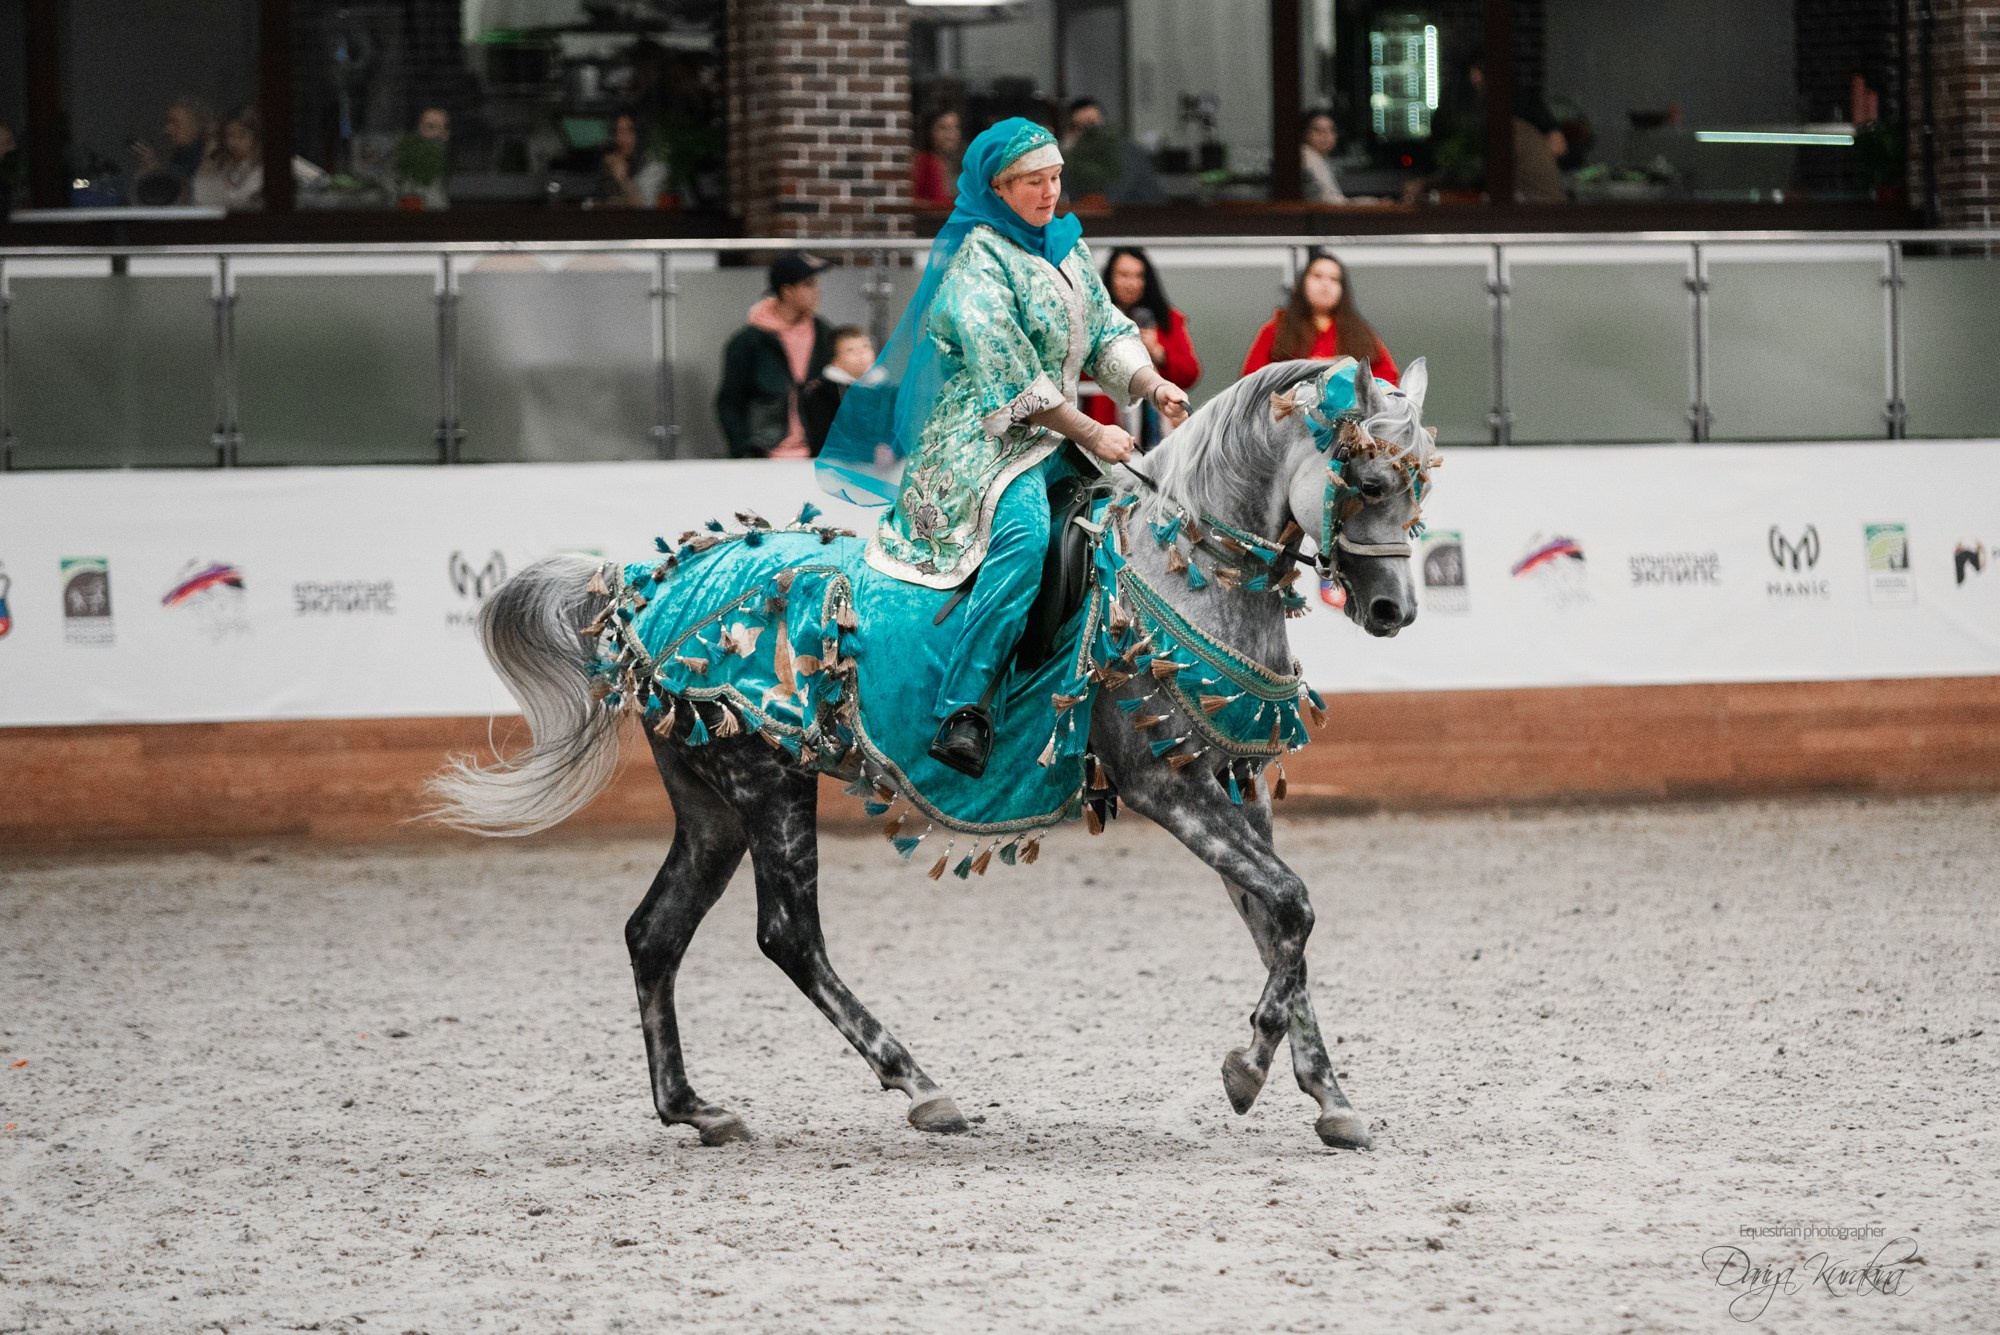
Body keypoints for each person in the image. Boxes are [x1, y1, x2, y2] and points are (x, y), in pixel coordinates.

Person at [818, 118, 1191, 778]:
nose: (1050, 192)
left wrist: (1150, 381)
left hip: (1057, 434)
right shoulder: (975, 263)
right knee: (1022, 538)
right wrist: (1094, 429)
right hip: (980, 441)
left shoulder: (1066, 249)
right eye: (1033, 182)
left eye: (1055, 178)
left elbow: (1107, 330)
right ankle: (965, 708)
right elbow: (1014, 378)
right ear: (998, 187)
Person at [716, 251, 839, 459]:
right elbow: (730, 402)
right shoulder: (749, 341)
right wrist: (743, 449)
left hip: (817, 455)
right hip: (765, 455)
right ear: (788, 291)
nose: (816, 291)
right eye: (808, 284)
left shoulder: (824, 334)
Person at [1084, 247, 1200, 447]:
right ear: (1110, 278)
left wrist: (1158, 352)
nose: (1131, 283)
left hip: (1161, 435)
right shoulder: (1095, 319)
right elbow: (1077, 373)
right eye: (1124, 275)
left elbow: (1190, 373)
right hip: (1105, 430)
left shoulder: (1167, 319)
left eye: (1138, 276)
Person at [1240, 249, 1398, 386]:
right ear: (1302, 283)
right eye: (1317, 276)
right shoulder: (1275, 330)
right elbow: (1252, 380)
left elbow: (1388, 381)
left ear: (1343, 289)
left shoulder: (1361, 333)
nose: (1325, 284)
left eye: (1334, 279)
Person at [801, 326, 882, 456]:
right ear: (836, 361)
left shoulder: (887, 391)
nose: (861, 354)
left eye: (865, 347)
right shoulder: (821, 393)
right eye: (850, 350)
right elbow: (823, 436)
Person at [192, 105, 264, 211]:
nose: (233, 143)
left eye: (241, 135)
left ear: (256, 137)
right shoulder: (226, 169)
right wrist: (207, 166)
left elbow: (239, 203)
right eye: (229, 136)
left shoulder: (261, 171)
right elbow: (201, 201)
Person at [598, 111, 667, 208]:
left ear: (639, 134)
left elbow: (642, 207)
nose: (621, 138)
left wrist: (622, 179)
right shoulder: (616, 159)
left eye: (628, 131)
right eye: (617, 131)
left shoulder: (655, 165)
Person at [911, 109, 963, 208]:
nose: (951, 135)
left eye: (955, 128)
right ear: (929, 132)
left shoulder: (952, 163)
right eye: (943, 128)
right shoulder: (927, 162)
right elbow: (939, 205)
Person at [1300, 108, 1346, 203]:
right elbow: (1330, 203)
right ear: (1305, 134)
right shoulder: (1306, 156)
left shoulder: (1318, 157)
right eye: (1317, 130)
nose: (1325, 135)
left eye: (1330, 130)